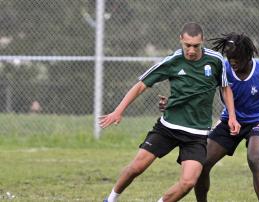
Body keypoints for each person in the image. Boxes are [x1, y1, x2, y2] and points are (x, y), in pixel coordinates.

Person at [99, 23, 240, 202]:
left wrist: (232, 117)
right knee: (136, 168)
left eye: (196, 45)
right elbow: (141, 85)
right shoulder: (173, 61)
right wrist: (118, 111)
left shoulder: (216, 60)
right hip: (168, 128)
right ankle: (110, 199)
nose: (191, 50)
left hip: (196, 135)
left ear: (202, 41)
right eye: (187, 45)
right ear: (181, 40)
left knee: (188, 182)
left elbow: (225, 88)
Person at [159, 32, 259, 202]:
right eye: (230, 58)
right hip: (230, 120)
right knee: (202, 163)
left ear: (248, 55)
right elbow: (196, 89)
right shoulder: (222, 69)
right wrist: (172, 103)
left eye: (237, 57)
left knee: (254, 159)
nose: (233, 61)